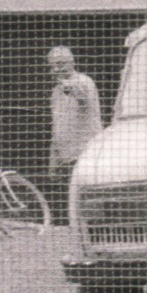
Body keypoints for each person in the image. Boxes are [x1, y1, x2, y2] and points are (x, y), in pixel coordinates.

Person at [47, 45, 102, 223]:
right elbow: (57, 126)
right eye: (53, 65)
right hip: (65, 158)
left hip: (84, 154)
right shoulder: (55, 92)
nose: (56, 69)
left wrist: (70, 88)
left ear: (72, 62)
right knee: (68, 209)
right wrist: (53, 158)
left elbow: (83, 97)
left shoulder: (83, 82)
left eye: (61, 64)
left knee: (87, 207)